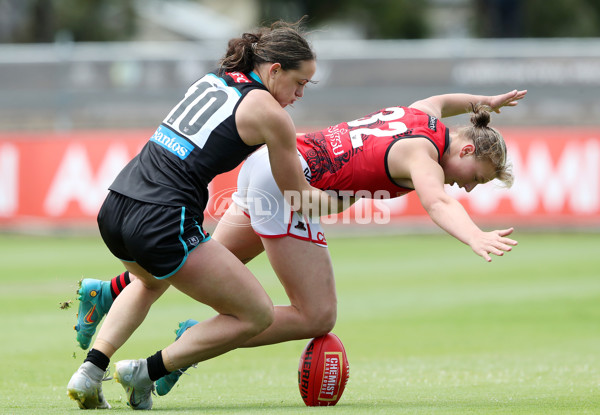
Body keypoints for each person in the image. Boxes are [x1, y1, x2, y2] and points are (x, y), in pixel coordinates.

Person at [71, 88, 527, 403]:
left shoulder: (423, 115)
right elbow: (438, 201)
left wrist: (481, 102)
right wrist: (474, 235)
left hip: (267, 166)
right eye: (478, 180)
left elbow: (445, 100)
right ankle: (154, 367)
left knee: (202, 261)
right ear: (466, 151)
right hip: (290, 189)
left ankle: (109, 290)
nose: (469, 189)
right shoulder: (422, 155)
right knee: (317, 314)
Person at [66, 19, 341, 410]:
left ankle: (91, 371)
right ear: (275, 70)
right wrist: (354, 197)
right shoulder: (272, 115)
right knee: (256, 314)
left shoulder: (217, 78)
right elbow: (297, 196)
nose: (299, 94)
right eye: (299, 83)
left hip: (116, 203)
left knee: (147, 282)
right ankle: (143, 372)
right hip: (163, 217)